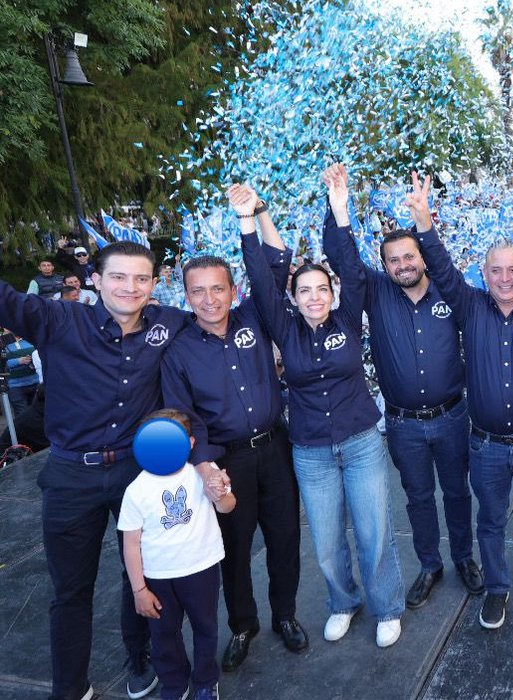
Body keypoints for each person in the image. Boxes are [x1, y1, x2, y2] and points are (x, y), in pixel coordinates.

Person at [0, 239, 224, 700]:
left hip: (135, 474)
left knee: (137, 575)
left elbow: (217, 314)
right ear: (95, 281)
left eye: (141, 278)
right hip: (70, 476)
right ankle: (70, 687)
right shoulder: (59, 319)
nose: (130, 286)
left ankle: (138, 660)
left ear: (154, 284)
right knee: (70, 590)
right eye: (118, 277)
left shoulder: (167, 322)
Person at [234, 175, 405, 649]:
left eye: (321, 289)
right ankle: (343, 602)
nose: (313, 296)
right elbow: (257, 278)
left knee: (374, 532)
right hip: (310, 451)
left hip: (361, 441)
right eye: (304, 290)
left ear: (332, 294)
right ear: (293, 297)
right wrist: (247, 221)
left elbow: (351, 268)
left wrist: (340, 206)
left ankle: (387, 606)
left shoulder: (349, 318)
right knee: (327, 543)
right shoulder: (284, 329)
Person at [322, 164, 483, 612]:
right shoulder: (375, 291)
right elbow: (344, 262)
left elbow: (448, 270)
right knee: (417, 497)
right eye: (393, 260)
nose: (402, 265)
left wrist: (424, 219)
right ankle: (429, 565)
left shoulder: (449, 292)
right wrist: (339, 209)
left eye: (409, 257)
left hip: (452, 417)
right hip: (404, 424)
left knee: (456, 492)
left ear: (422, 257)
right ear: (386, 266)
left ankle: (464, 558)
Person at [160, 194, 308, 672]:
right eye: (198, 291)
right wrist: (204, 464)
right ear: (186, 296)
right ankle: (243, 624)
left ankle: (285, 615)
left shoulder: (254, 317)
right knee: (234, 547)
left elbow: (273, 266)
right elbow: (184, 417)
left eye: (218, 289)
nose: (209, 299)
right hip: (225, 461)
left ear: (232, 290)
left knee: (284, 538)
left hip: (277, 447)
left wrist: (251, 217)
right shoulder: (179, 352)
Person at [409, 172, 513, 631]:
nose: (505, 278)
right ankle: (497, 588)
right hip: (487, 446)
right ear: (484, 275)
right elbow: (439, 265)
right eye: (496, 270)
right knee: (490, 522)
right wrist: (423, 221)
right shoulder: (469, 305)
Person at [118, 409, 236, 700]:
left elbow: (227, 507)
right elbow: (130, 543)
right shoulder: (137, 490)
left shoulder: (205, 472)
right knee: (163, 636)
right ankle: (174, 683)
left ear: (191, 443)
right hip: (158, 578)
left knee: (206, 628)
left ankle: (207, 681)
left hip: (201, 569)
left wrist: (220, 492)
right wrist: (139, 589)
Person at [2, 326, 40, 419]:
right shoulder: (3, 342)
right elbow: (1, 364)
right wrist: (18, 361)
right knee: (23, 416)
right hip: (15, 387)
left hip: (35, 383)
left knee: (38, 415)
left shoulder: (31, 338)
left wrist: (33, 362)